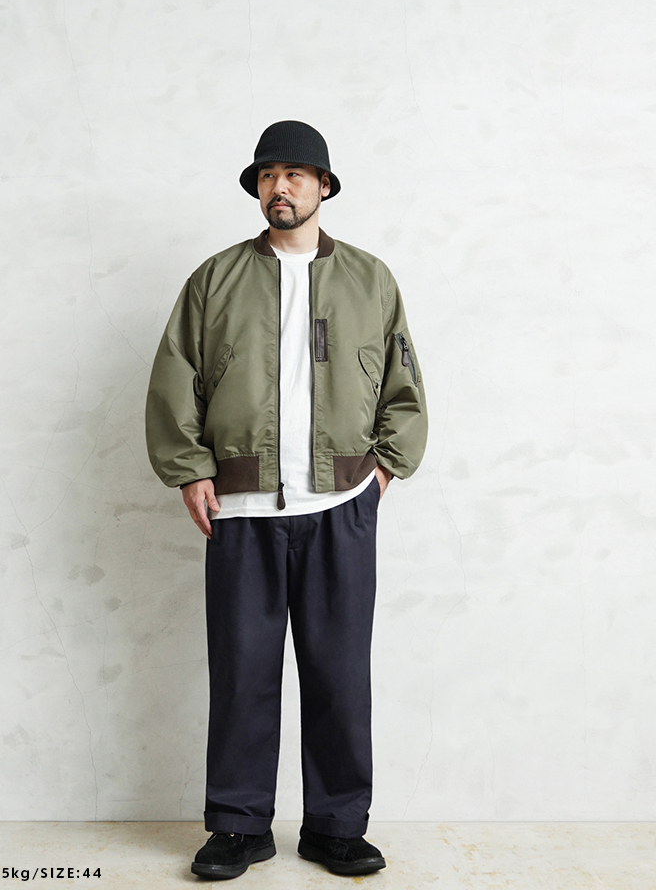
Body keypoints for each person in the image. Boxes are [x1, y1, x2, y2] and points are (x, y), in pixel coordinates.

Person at [145, 120, 428, 879]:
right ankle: (239, 827)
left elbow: (402, 386)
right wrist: (190, 469)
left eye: (296, 174)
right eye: (268, 175)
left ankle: (337, 826)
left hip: (340, 506)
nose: (281, 187)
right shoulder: (215, 279)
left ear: (323, 187)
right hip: (241, 512)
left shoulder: (370, 279)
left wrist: (382, 473)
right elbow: (175, 377)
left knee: (339, 676)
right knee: (243, 675)